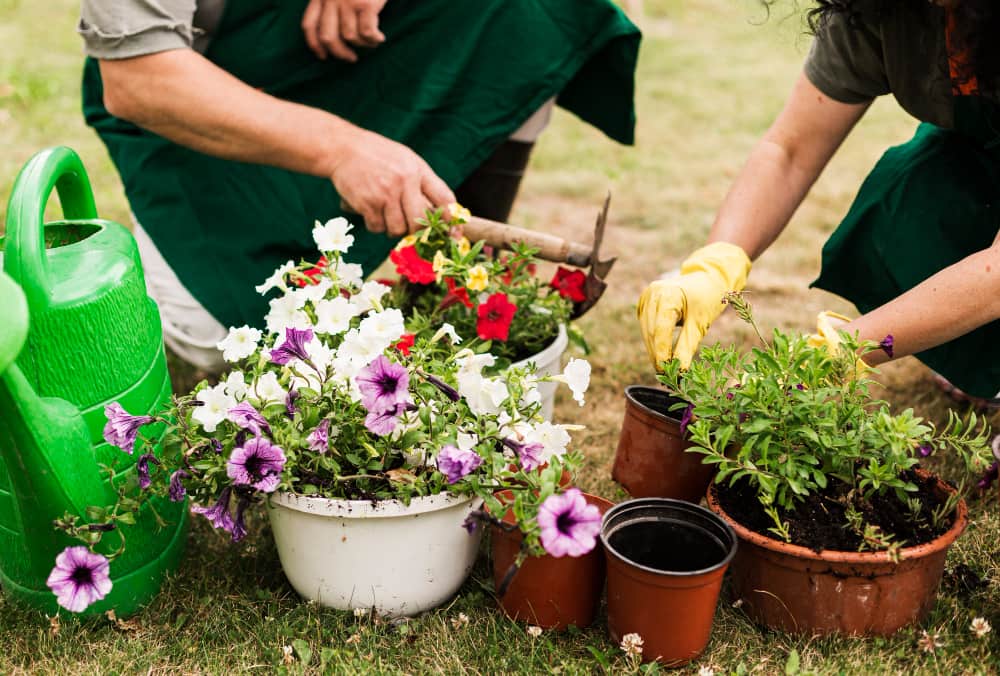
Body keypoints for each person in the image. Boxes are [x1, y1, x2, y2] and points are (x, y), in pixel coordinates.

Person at [78, 0, 641, 371]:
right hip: (203, 93)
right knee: (222, 334)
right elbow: (139, 78)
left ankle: (465, 287)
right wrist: (343, 149)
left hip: (342, 40)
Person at [637, 0, 1000, 404]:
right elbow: (789, 150)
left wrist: (844, 349)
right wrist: (715, 266)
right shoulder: (881, 11)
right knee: (908, 199)